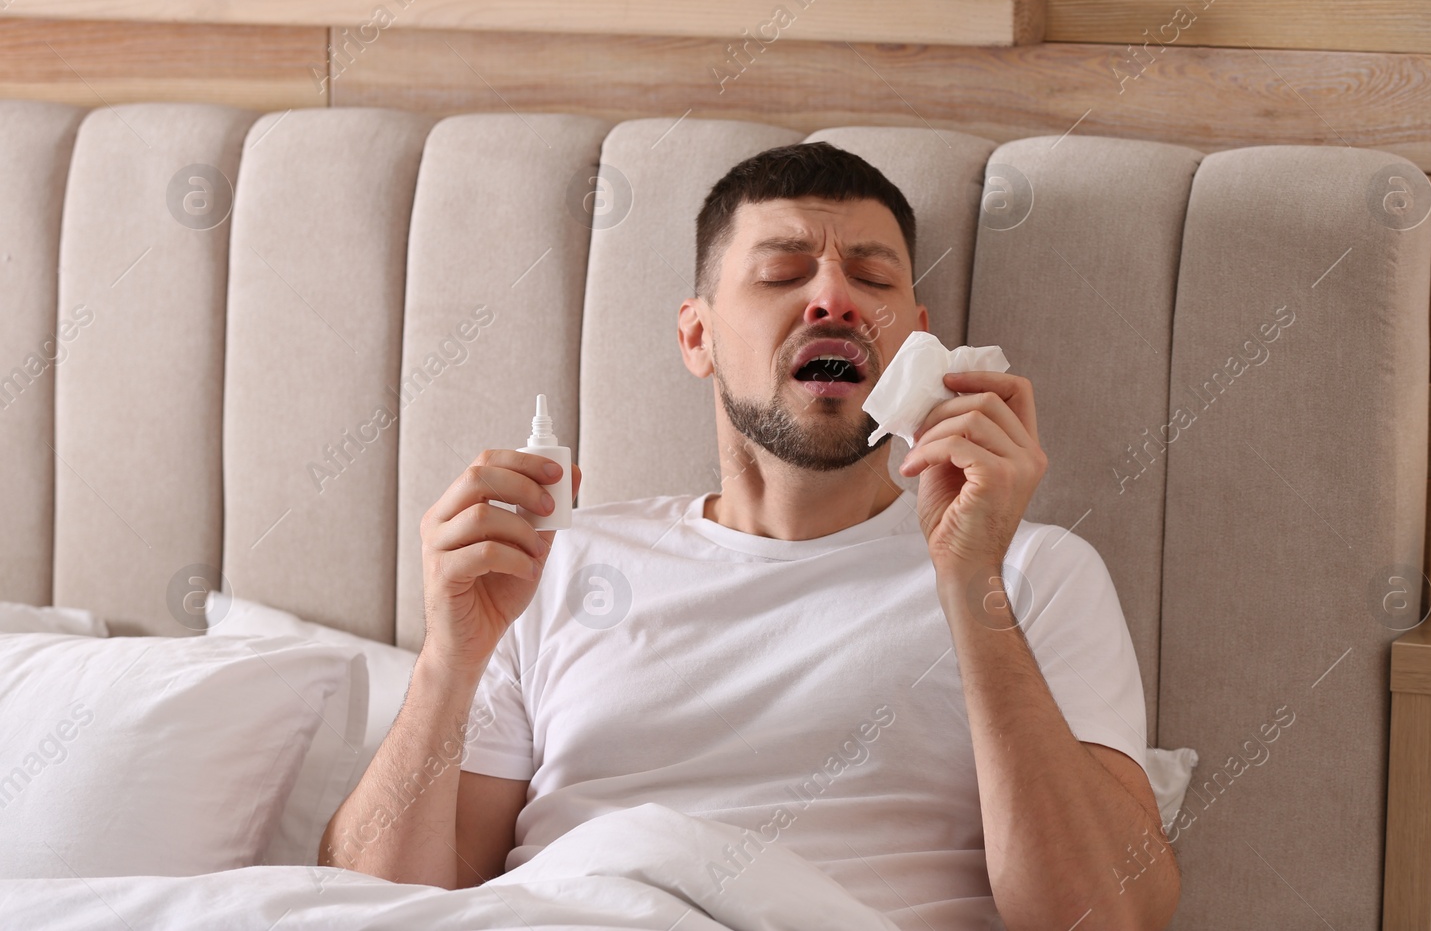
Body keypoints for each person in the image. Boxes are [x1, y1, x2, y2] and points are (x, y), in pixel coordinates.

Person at [321, 141, 1180, 931]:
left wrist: (969, 579)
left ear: (918, 341)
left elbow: (1107, 918)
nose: (834, 297)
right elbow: (378, 907)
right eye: (781, 273)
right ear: (697, 337)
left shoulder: (1031, 571)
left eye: (873, 281)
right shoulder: (557, 563)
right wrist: (448, 659)